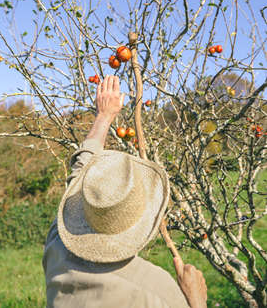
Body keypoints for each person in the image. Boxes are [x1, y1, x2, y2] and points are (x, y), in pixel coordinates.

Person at [42, 75, 207, 308]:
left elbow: (78, 171)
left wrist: (104, 116)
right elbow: (78, 172)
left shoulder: (57, 245)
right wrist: (197, 300)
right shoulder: (159, 292)